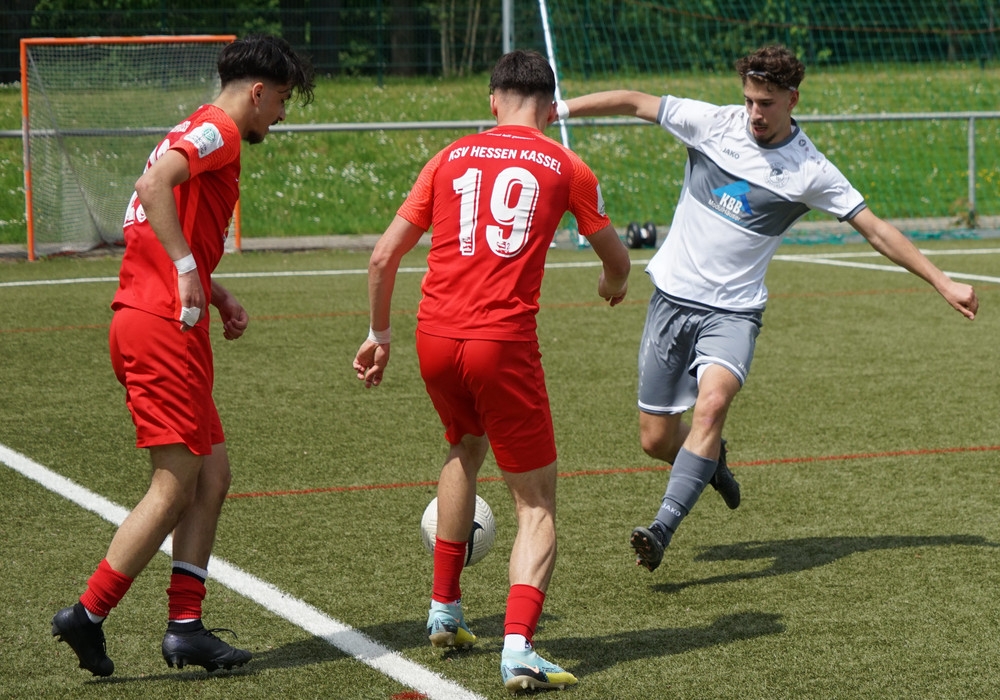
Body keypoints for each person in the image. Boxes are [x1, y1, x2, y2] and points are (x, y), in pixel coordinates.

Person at [556, 45, 979, 573]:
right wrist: (561, 109)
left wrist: (942, 282)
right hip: (671, 301)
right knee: (655, 439)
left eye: (767, 103)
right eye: (750, 100)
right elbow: (634, 101)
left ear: (792, 99)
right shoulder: (714, 123)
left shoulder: (810, 169)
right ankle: (712, 462)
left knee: (711, 407)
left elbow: (875, 229)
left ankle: (662, 527)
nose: (755, 113)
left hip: (733, 315)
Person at [353, 49, 630, 693]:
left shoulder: (450, 156)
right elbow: (616, 258)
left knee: (462, 447)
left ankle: (444, 612)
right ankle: (519, 649)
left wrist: (378, 333)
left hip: (434, 336)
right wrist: (611, 283)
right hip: (500, 342)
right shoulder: (567, 167)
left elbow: (383, 256)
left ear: (493, 100)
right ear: (550, 104)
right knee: (535, 502)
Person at [51, 34, 315, 677]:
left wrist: (213, 289)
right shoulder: (220, 129)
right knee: (173, 488)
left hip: (164, 319)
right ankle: (87, 613)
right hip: (161, 324)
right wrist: (188, 271)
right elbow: (155, 183)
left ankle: (186, 627)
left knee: (212, 476)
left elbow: (162, 213)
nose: (279, 115)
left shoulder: (199, 126)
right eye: (281, 100)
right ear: (258, 91)